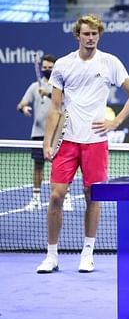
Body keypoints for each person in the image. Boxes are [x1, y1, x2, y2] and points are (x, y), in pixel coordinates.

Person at [36, 14, 129, 273]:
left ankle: (87, 252)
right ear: (78, 36)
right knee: (56, 196)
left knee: (92, 197)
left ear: (99, 35)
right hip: (67, 142)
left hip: (96, 143)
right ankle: (51, 255)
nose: (90, 37)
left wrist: (115, 121)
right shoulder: (62, 65)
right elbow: (55, 108)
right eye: (86, 33)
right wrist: (46, 142)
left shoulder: (110, 63)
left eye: (95, 33)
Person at [17, 54, 74, 212]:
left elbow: (65, 101)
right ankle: (35, 199)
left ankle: (66, 197)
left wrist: (48, 93)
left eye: (50, 67)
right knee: (38, 166)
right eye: (45, 67)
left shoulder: (61, 86)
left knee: (62, 167)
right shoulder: (34, 87)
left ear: (55, 68)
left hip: (58, 134)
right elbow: (21, 104)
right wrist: (24, 108)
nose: (47, 70)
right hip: (38, 133)